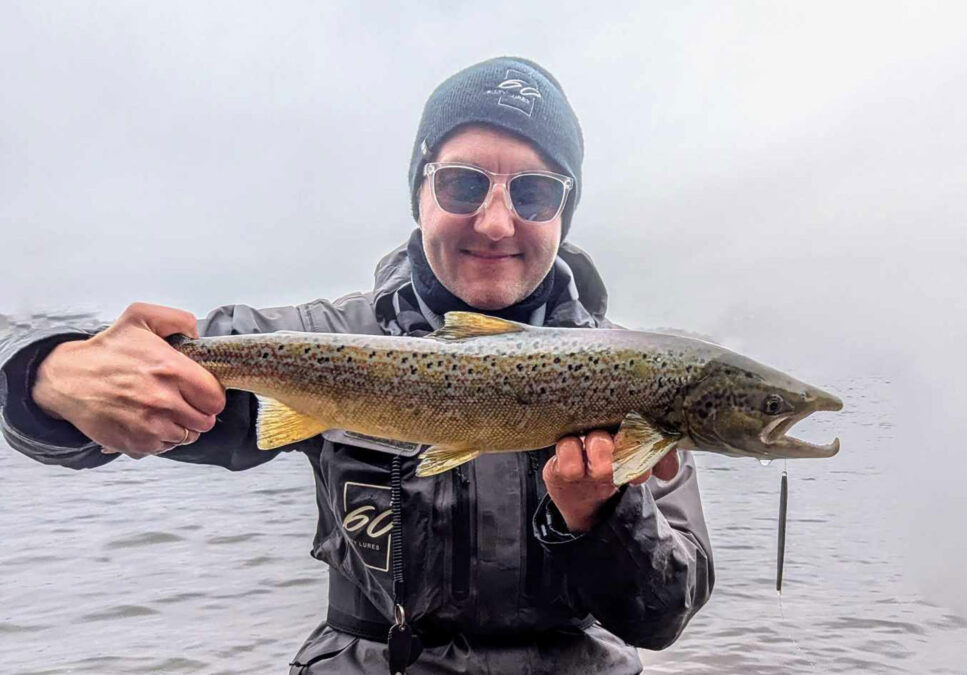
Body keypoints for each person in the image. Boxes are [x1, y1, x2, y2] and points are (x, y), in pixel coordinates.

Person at [1, 56, 714, 674]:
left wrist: (604, 515)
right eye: (464, 185)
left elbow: (664, 613)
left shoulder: (637, 371)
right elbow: (128, 380)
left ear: (565, 212)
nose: (496, 222)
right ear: (420, 193)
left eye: (533, 193)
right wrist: (47, 374)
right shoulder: (330, 338)